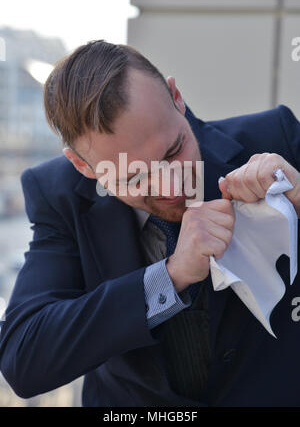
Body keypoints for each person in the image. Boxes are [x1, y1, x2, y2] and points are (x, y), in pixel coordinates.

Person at [0, 40, 299, 407]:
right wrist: (169, 277)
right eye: (134, 178)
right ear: (84, 168)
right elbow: (25, 359)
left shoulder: (275, 139)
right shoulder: (59, 195)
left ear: (176, 97)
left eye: (174, 151)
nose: (172, 187)